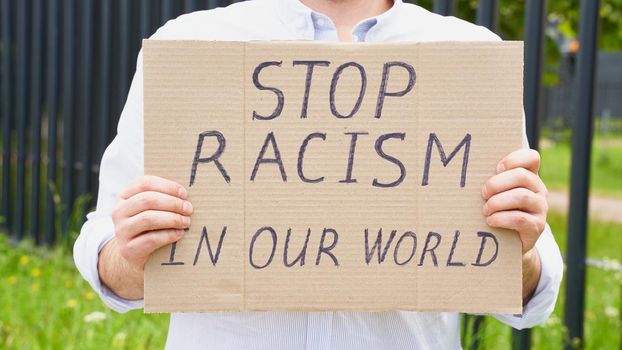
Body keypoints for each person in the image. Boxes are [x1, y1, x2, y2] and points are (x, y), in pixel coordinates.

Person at [74, 0, 564, 348]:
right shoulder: (187, 46)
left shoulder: (469, 55)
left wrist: (519, 240)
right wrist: (132, 252)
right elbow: (104, 255)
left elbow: (528, 295)